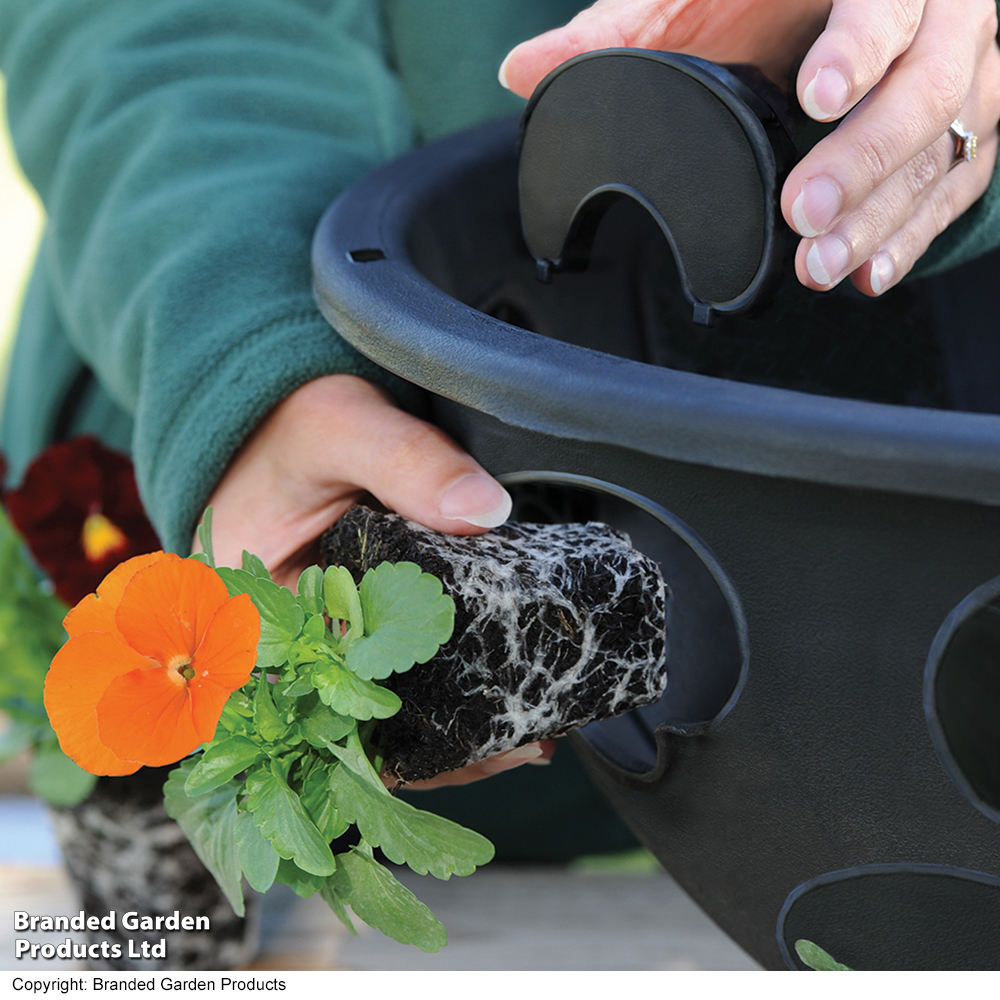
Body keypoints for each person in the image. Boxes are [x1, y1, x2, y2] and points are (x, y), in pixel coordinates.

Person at [1, 0, 998, 856]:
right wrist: (254, 354)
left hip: (906, 606)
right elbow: (163, 32)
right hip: (333, 438)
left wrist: (951, 58)